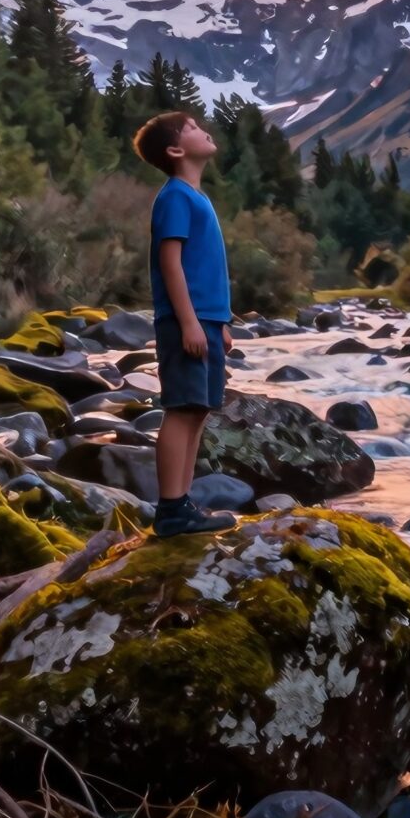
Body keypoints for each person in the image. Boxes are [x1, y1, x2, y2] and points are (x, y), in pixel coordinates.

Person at [133, 109, 237, 537]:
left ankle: (183, 502)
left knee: (198, 410)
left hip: (206, 322)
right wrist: (190, 323)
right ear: (176, 150)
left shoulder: (197, 196)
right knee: (180, 410)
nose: (204, 130)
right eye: (193, 128)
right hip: (184, 323)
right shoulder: (175, 195)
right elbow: (170, 263)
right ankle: (171, 508)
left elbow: (206, 268)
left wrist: (221, 323)